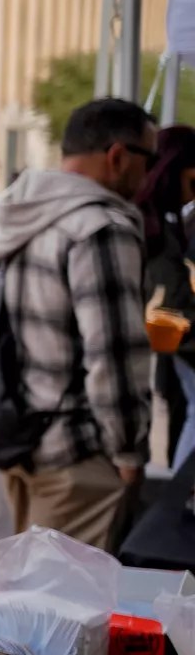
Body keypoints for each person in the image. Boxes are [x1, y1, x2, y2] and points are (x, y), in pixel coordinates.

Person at [0, 98, 155, 548]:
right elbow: (114, 358)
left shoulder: (20, 213)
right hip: (78, 454)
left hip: (20, 435)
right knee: (63, 612)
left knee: (29, 603)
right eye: (148, 158)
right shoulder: (100, 227)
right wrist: (129, 452)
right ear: (118, 156)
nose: (150, 173)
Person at [137, 127, 195, 466]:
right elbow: (168, 304)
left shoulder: (164, 216)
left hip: (178, 340)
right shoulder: (153, 219)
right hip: (178, 337)